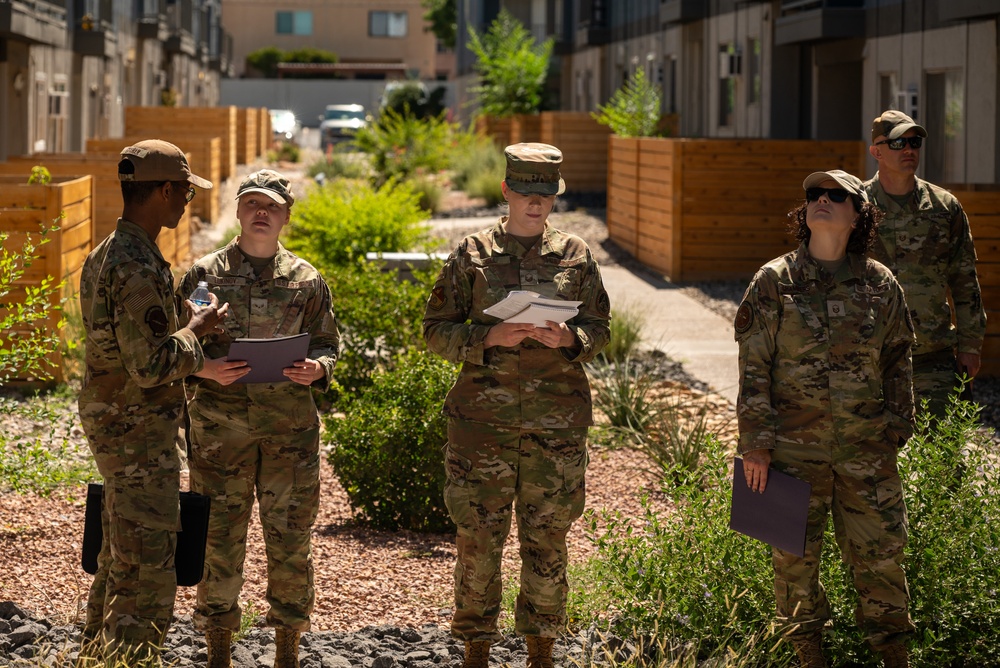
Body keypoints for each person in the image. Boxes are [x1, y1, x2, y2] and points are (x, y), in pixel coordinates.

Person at [423, 143, 611, 668]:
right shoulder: (471, 254)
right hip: (482, 428)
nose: (535, 203)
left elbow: (600, 328)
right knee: (478, 541)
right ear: (506, 190)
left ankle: (542, 653)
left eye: (545, 193)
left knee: (548, 541)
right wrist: (489, 337)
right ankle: (475, 652)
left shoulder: (575, 254)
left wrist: (570, 340)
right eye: (526, 192)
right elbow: (434, 330)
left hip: (557, 426)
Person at [735, 170, 915, 668]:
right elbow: (754, 367)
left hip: (866, 452)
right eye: (815, 194)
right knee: (792, 565)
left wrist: (898, 425)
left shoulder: (879, 283)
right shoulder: (774, 280)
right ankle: (807, 658)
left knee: (881, 560)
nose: (823, 201)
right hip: (789, 454)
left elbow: (900, 355)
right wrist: (756, 444)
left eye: (838, 196)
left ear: (858, 215)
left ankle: (893, 656)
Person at [176, 169, 340, 668]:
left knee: (290, 538)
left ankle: (287, 649)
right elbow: (173, 349)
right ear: (238, 211)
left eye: (271, 206)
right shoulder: (203, 275)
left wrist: (318, 368)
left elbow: (328, 344)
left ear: (287, 215)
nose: (261, 213)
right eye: (251, 204)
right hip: (219, 432)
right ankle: (219, 651)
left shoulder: (307, 280)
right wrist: (206, 369)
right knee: (219, 538)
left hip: (289, 432)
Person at [79, 139, 226, 663]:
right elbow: (151, 365)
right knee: (147, 572)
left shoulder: (109, 251)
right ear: (163, 190)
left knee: (119, 555)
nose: (188, 199)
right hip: (136, 434)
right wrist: (195, 329)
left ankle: (96, 657)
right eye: (185, 189)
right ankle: (130, 659)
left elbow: (126, 337)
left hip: (117, 427)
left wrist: (176, 317)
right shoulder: (138, 265)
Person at [864, 110, 986, 415]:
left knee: (940, 455)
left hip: (933, 353)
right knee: (873, 457)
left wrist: (970, 344)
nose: (908, 149)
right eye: (897, 143)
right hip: (869, 355)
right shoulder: (857, 207)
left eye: (914, 141)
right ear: (876, 151)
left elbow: (964, 278)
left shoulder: (945, 207)